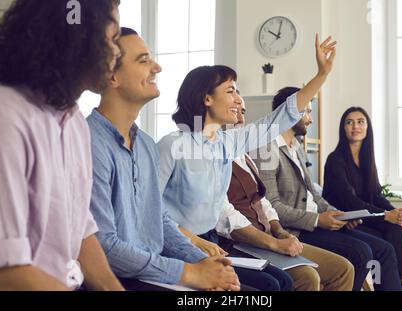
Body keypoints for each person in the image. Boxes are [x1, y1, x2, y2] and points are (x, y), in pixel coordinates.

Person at [158, 34, 337, 291]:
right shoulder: (171, 146)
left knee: (282, 281)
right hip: (177, 245)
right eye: (230, 91)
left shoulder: (225, 143)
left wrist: (321, 75)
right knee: (271, 286)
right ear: (206, 99)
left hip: (210, 240)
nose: (237, 100)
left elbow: (276, 121)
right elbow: (149, 211)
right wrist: (195, 242)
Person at [87, 27, 240, 291]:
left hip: (154, 269)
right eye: (144, 60)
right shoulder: (88, 141)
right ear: (112, 76)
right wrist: (189, 272)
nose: (156, 67)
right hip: (116, 278)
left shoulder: (145, 144)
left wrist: (206, 264)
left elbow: (159, 221)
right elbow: (102, 245)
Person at [0, 0, 124, 290]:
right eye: (112, 38)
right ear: (77, 39)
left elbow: (81, 229)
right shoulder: (9, 117)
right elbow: (8, 272)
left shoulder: (74, 121)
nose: (118, 51)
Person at [254, 87, 402, 291]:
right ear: (289, 111)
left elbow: (314, 195)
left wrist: (337, 214)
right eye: (306, 111)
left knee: (383, 248)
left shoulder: (297, 147)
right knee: (362, 253)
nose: (310, 119)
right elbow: (271, 206)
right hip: (298, 229)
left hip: (317, 224)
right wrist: (317, 220)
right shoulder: (266, 149)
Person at [214, 93, 355, 291]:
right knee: (308, 277)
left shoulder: (244, 156)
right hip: (243, 243)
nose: (240, 118)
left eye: (243, 112)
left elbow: (264, 202)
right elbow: (226, 218)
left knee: (343, 268)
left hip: (272, 234)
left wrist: (279, 231)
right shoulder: (215, 157)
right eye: (234, 111)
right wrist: (274, 242)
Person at [322, 106, 402, 291]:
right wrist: (385, 215)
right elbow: (350, 201)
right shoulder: (335, 159)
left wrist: (394, 212)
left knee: (395, 228)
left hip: (363, 218)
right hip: (344, 222)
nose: (355, 126)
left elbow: (376, 194)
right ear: (343, 128)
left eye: (360, 121)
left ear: (367, 127)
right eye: (349, 122)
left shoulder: (367, 160)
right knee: (384, 245)